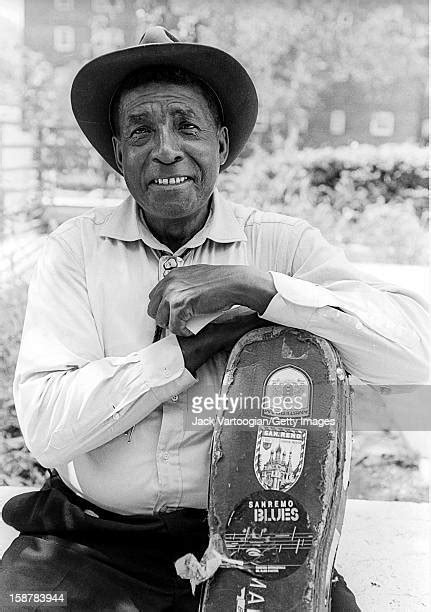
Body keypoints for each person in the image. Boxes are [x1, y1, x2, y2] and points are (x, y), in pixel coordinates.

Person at [1, 26, 428, 612]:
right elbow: (50, 430)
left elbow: (413, 350)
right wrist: (189, 350)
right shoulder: (75, 251)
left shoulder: (279, 245)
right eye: (140, 131)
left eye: (186, 126)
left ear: (222, 146)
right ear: (117, 155)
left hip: (257, 537)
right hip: (94, 540)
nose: (166, 149)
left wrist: (257, 288)